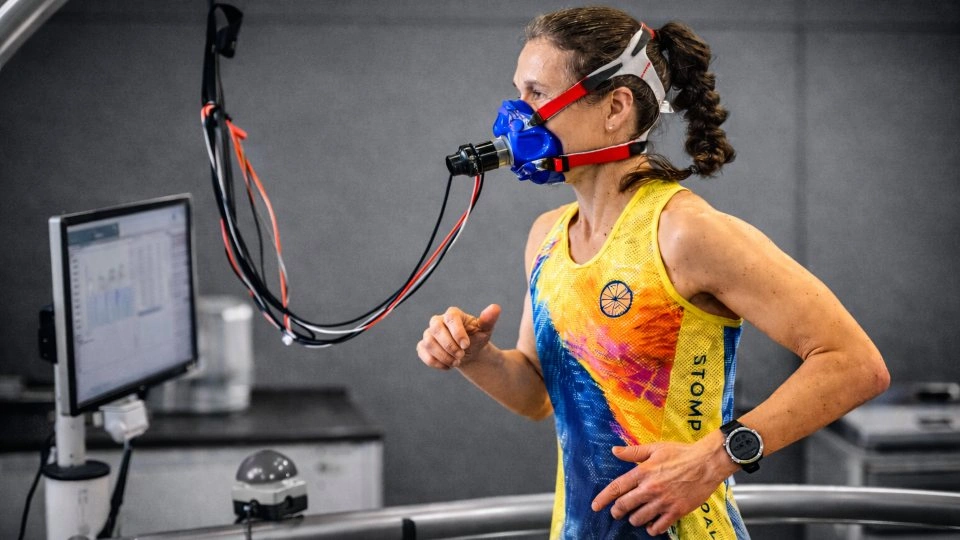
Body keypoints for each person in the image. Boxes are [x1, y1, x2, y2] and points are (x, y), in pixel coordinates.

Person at [416, 6, 889, 539]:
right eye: (518, 92)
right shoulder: (547, 236)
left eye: (537, 93)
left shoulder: (685, 232)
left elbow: (856, 363)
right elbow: (536, 396)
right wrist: (475, 358)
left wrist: (715, 458)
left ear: (616, 106)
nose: (515, 115)